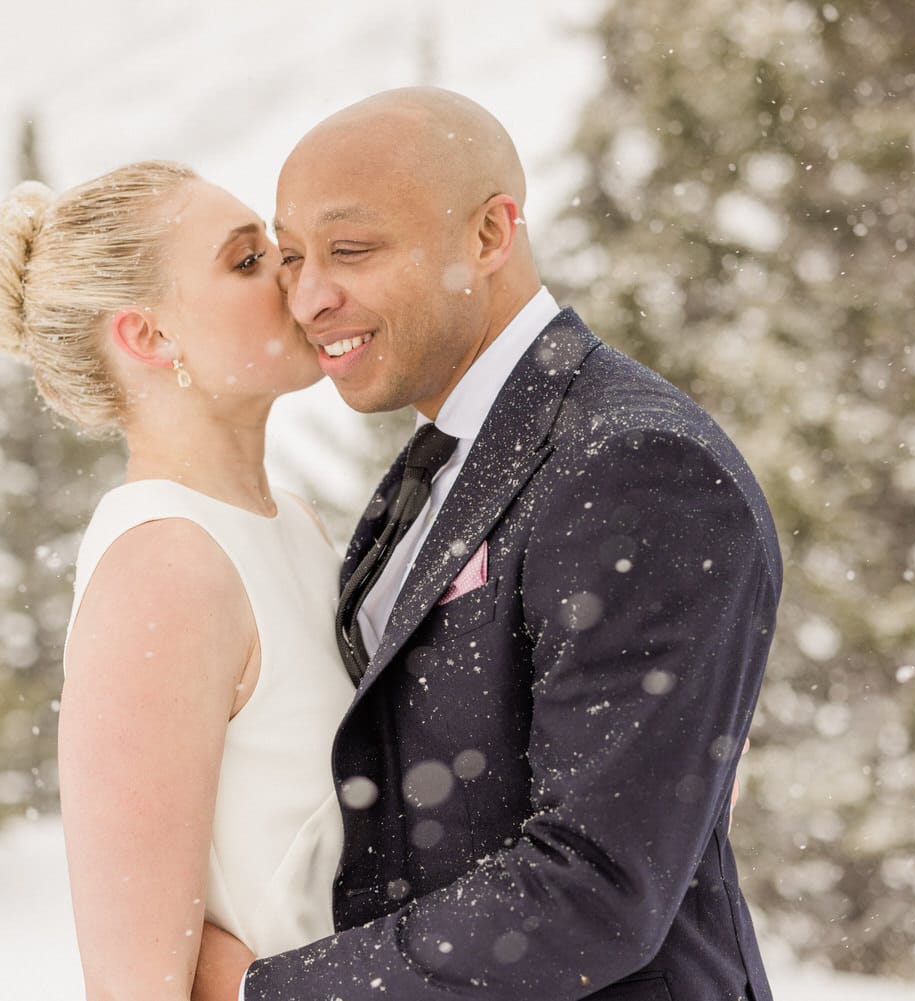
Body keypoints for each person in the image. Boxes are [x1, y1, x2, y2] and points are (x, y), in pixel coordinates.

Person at [196, 87, 783, 1001]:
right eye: (294, 255)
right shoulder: (440, 459)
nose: (310, 296)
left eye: (352, 249)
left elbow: (595, 887)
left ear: (489, 235)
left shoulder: (636, 464)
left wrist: (262, 992)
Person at [0, 162, 357, 1001]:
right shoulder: (166, 567)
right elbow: (136, 985)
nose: (293, 272)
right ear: (148, 336)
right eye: (246, 261)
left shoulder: (294, 523)